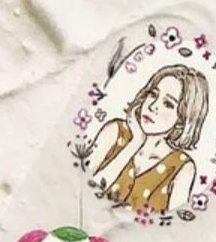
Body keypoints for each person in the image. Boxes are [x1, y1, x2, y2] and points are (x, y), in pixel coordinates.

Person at [89, 64, 209, 214]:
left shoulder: (181, 167)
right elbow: (83, 186)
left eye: (168, 104)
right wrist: (134, 144)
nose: (152, 106)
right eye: (153, 94)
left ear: (182, 119)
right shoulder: (115, 131)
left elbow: (173, 223)